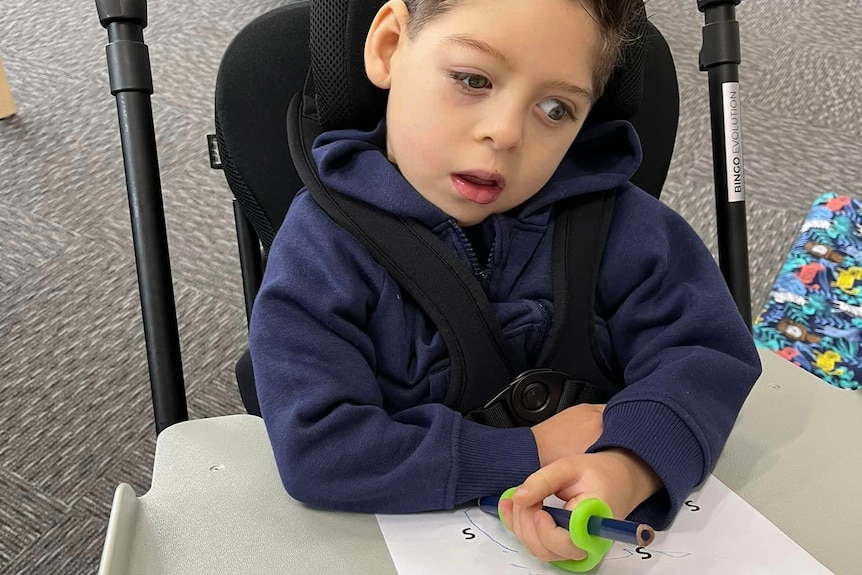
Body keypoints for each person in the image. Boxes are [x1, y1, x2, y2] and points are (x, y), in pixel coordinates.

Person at [249, 0, 762, 564]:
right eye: (472, 79)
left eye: (554, 108)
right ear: (390, 46)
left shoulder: (622, 228)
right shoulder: (322, 248)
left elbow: (705, 357)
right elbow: (318, 447)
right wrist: (533, 449)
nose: (506, 133)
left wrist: (630, 464)